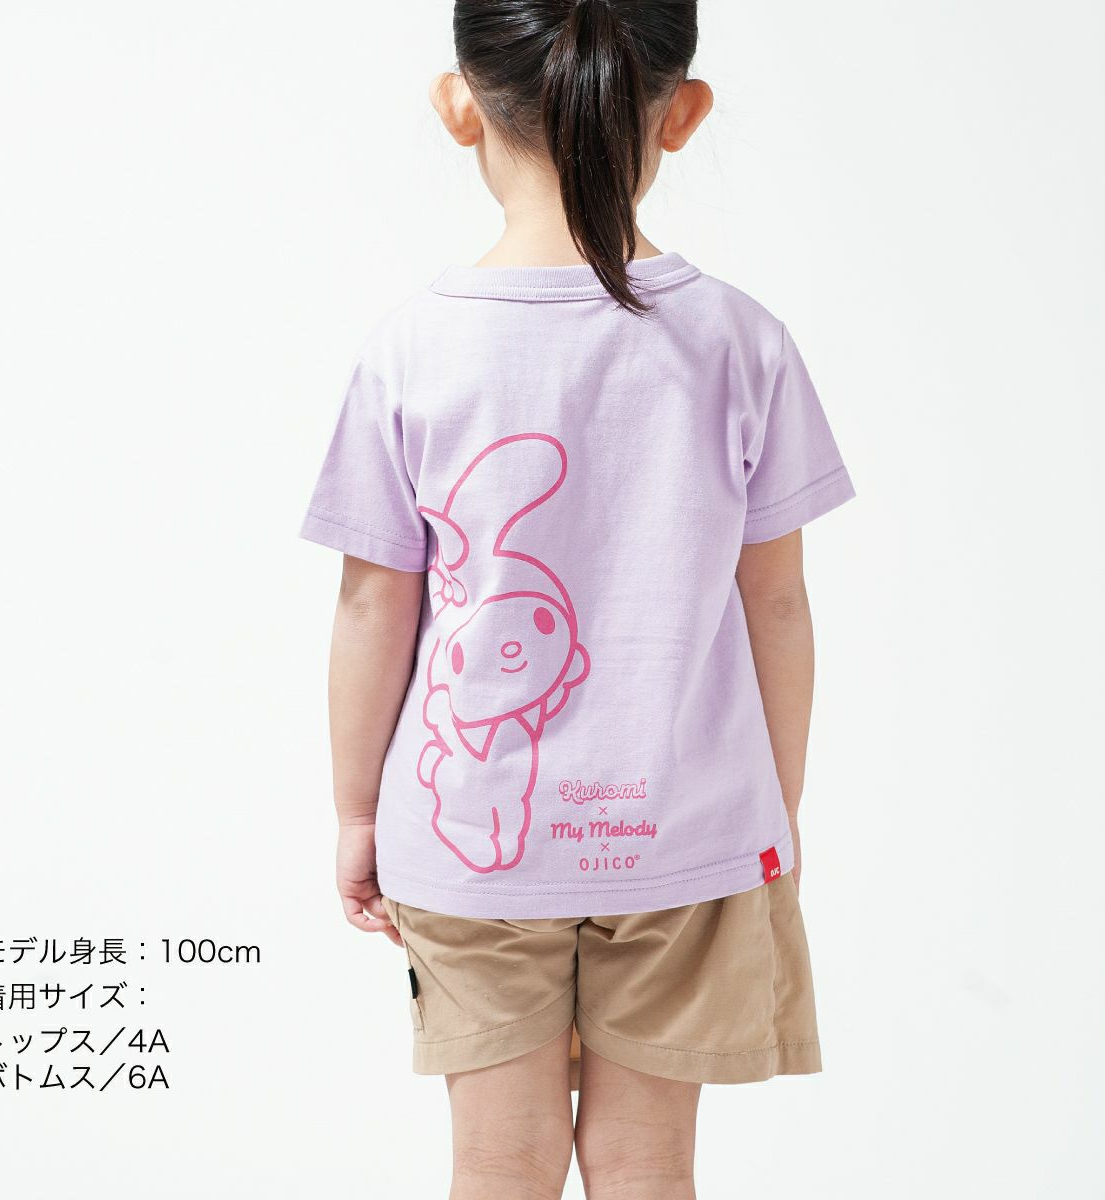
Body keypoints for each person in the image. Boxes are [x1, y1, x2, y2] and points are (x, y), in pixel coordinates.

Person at [299, 2, 854, 1196]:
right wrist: (773, 812)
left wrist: (356, 813)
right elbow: (779, 605)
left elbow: (371, 609)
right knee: (647, 1167)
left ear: (459, 105)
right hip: (685, 836)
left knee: (499, 1165)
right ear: (682, 112)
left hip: (468, 835)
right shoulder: (742, 342)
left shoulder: (412, 349)